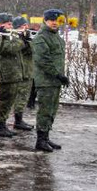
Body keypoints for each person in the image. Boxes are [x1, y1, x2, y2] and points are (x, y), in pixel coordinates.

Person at [32, 9, 68, 152]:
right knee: (45, 110)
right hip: (46, 81)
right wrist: (57, 75)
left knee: (52, 110)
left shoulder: (56, 37)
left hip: (54, 81)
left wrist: (61, 76)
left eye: (57, 20)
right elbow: (43, 60)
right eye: (51, 20)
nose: (54, 22)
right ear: (45, 20)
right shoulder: (41, 37)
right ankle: (40, 140)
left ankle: (46, 137)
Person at [0, 13, 25, 138]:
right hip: (5, 73)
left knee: (9, 100)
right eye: (9, 24)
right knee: (4, 100)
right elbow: (7, 49)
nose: (11, 26)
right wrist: (21, 41)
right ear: (0, 24)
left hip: (13, 73)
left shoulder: (9, 35)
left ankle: (3, 124)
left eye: (11, 24)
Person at [11, 16, 35, 131]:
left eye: (26, 25)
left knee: (24, 96)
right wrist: (25, 41)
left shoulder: (27, 37)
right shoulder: (15, 37)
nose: (26, 28)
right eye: (23, 26)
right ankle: (18, 120)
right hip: (21, 71)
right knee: (20, 96)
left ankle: (20, 119)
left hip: (28, 70)